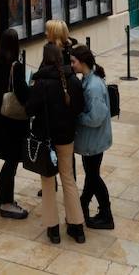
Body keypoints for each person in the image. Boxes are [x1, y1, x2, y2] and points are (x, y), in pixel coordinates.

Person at [27, 42, 85, 243]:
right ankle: (77, 226)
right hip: (67, 137)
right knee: (68, 179)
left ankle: (53, 229)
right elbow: (79, 108)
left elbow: (30, 109)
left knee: (48, 182)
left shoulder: (41, 82)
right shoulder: (72, 81)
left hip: (46, 139)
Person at [71, 46, 113, 230]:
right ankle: (84, 204)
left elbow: (96, 117)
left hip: (93, 141)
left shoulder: (93, 87)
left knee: (93, 176)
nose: (71, 65)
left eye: (73, 61)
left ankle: (106, 214)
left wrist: (77, 117)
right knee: (92, 174)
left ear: (83, 62)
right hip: (94, 140)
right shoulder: (89, 80)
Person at [0, 28, 29, 219]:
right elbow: (22, 94)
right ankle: (7, 202)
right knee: (13, 159)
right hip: (14, 120)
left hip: (0, 116)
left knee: (9, 159)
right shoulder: (16, 65)